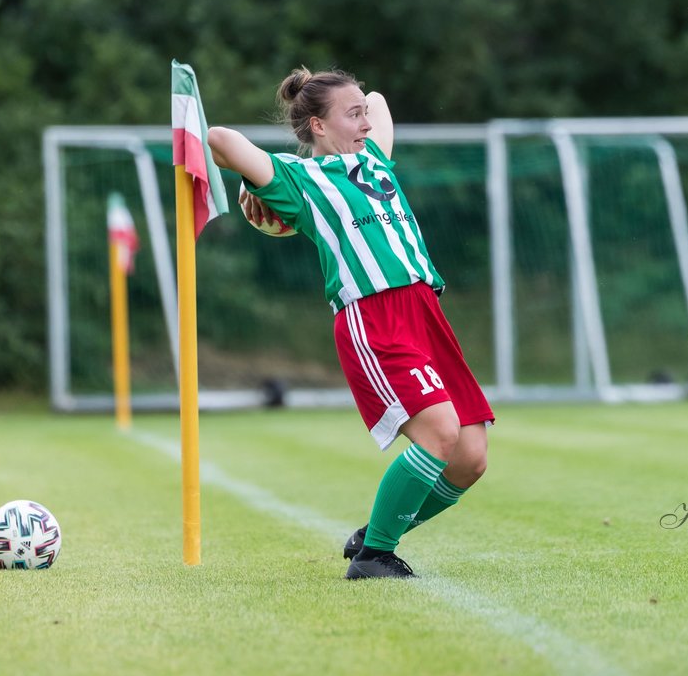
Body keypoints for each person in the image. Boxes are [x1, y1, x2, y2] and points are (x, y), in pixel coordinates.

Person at [206, 67, 494, 580]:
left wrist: (335, 92)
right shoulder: (300, 181)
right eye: (351, 115)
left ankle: (377, 533)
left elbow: (380, 99)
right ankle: (373, 557)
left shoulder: (374, 161)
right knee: (440, 433)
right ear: (317, 126)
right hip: (374, 317)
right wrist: (269, 174)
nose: (365, 121)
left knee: (470, 458)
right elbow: (220, 140)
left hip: (425, 312)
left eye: (362, 114)